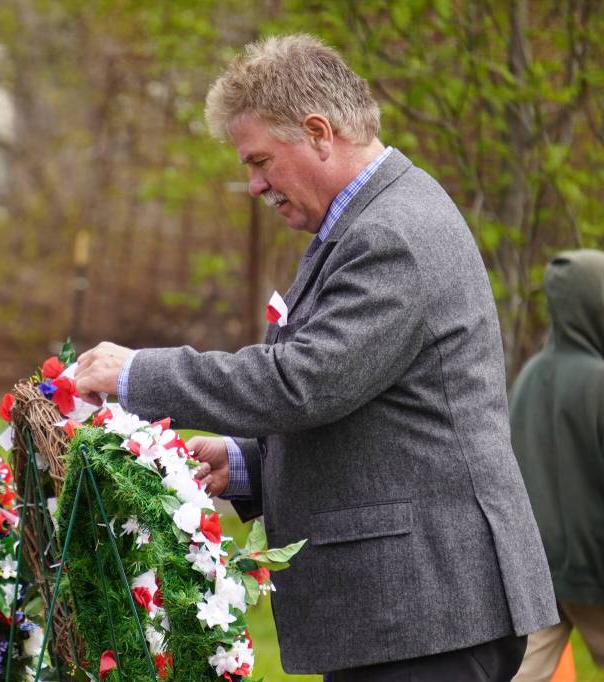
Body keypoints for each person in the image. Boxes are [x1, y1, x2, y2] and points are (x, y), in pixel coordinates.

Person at [74, 34, 558, 680]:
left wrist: (138, 373)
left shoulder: (391, 234)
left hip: (427, 616)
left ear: (319, 133)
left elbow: (304, 382)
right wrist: (246, 462)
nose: (252, 186)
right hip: (408, 617)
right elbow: (361, 404)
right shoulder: (362, 222)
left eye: (259, 161)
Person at [510, 250, 604, 682]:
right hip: (593, 570)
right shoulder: (597, 382)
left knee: (522, 673)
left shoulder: (530, 375)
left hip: (538, 571)